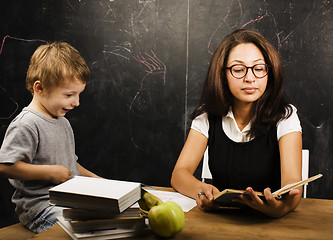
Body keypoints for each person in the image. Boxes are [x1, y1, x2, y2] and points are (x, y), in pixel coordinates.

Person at [171, 29, 302, 218]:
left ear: (269, 72)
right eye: (239, 69)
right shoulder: (208, 116)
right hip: (221, 220)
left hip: (270, 223)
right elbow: (179, 174)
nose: (250, 78)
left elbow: (292, 184)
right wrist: (201, 191)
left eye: (258, 68)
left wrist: (279, 208)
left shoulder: (285, 116)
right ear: (222, 74)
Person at [0, 42, 101, 233]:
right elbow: (5, 165)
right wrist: (49, 173)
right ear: (40, 88)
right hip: (42, 208)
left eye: (79, 94)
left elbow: (70, 164)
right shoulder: (26, 124)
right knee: (80, 230)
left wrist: (96, 179)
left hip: (70, 201)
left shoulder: (62, 122)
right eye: (69, 94)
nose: (77, 102)